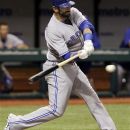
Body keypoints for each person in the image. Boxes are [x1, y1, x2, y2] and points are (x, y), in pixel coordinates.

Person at [4, 0, 116, 130]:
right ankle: (15, 123)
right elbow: (66, 57)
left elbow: (86, 25)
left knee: (92, 98)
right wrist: (81, 53)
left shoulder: (72, 12)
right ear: (55, 9)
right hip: (58, 68)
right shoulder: (52, 30)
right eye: (65, 7)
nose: (68, 8)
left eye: (69, 5)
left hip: (72, 67)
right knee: (56, 110)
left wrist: (88, 42)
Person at [0, 21, 28, 93]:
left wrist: (17, 47)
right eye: (2, 29)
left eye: (5, 29)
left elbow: (25, 47)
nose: (4, 31)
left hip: (11, 64)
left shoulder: (11, 38)